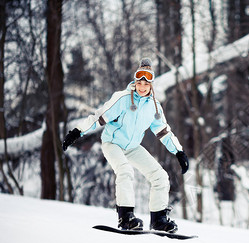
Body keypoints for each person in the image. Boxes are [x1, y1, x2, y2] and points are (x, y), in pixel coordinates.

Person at [62, 58, 189, 233]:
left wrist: (179, 152)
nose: (142, 86)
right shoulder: (121, 99)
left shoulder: (154, 106)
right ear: (135, 82)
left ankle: (158, 219)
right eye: (139, 82)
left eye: (146, 83)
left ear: (151, 85)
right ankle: (126, 217)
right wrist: (77, 132)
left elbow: (164, 132)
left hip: (133, 148)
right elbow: (99, 117)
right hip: (112, 143)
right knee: (125, 171)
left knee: (160, 176)